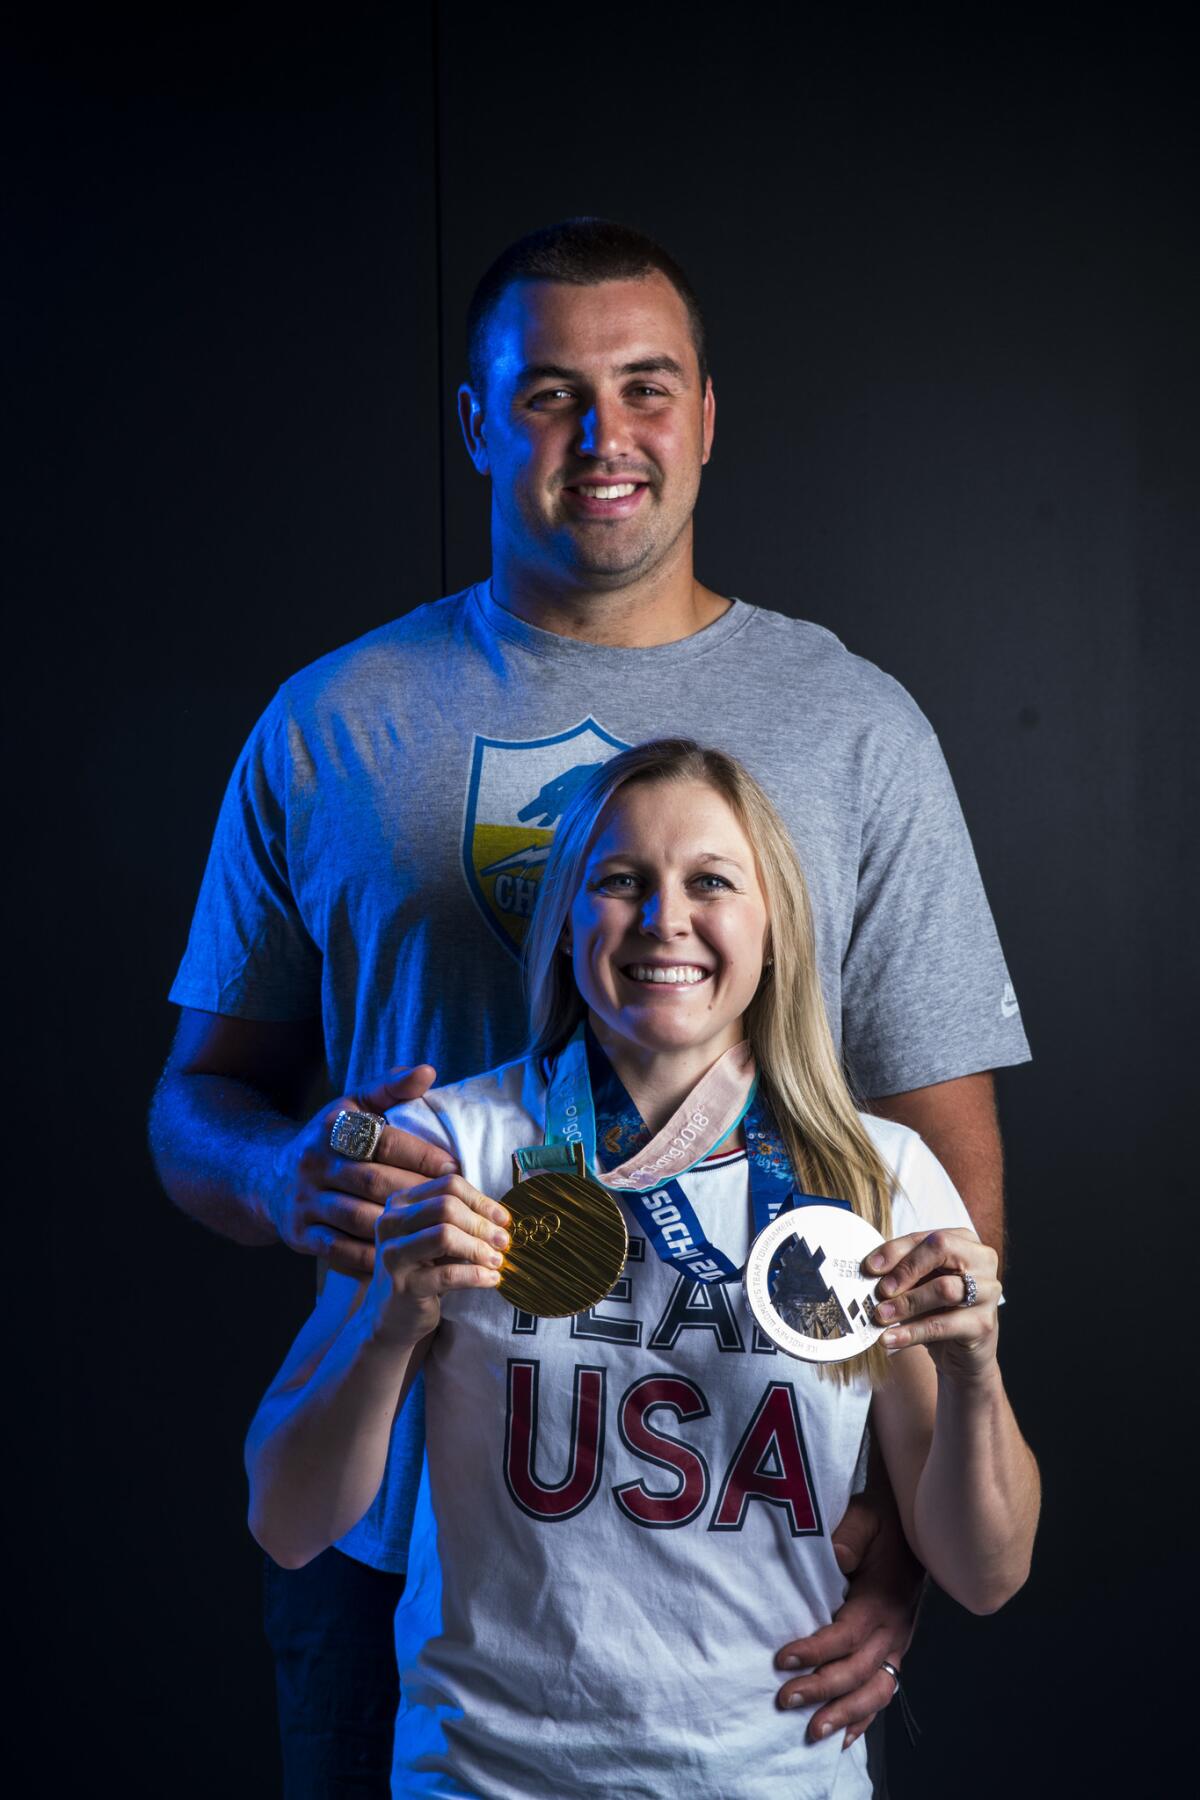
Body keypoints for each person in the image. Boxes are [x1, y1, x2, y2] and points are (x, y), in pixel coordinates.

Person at [150, 218, 1031, 1792]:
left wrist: (905, 1517)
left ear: (705, 413)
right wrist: (297, 1186)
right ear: (480, 423)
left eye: (643, 388)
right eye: (549, 394)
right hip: (403, 1542)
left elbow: (940, 1160)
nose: (603, 437)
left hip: (733, 1536)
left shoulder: (853, 728)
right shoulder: (334, 724)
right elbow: (194, 1104)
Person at [245, 739, 1040, 1800]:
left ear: (773, 927)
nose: (664, 917)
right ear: (570, 924)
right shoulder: (453, 1154)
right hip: (488, 1779)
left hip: (771, 1775)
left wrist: (978, 1372)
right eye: (620, 882)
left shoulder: (874, 1180)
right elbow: (288, 1523)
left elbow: (987, 1576)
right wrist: (390, 1324)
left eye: (711, 881)